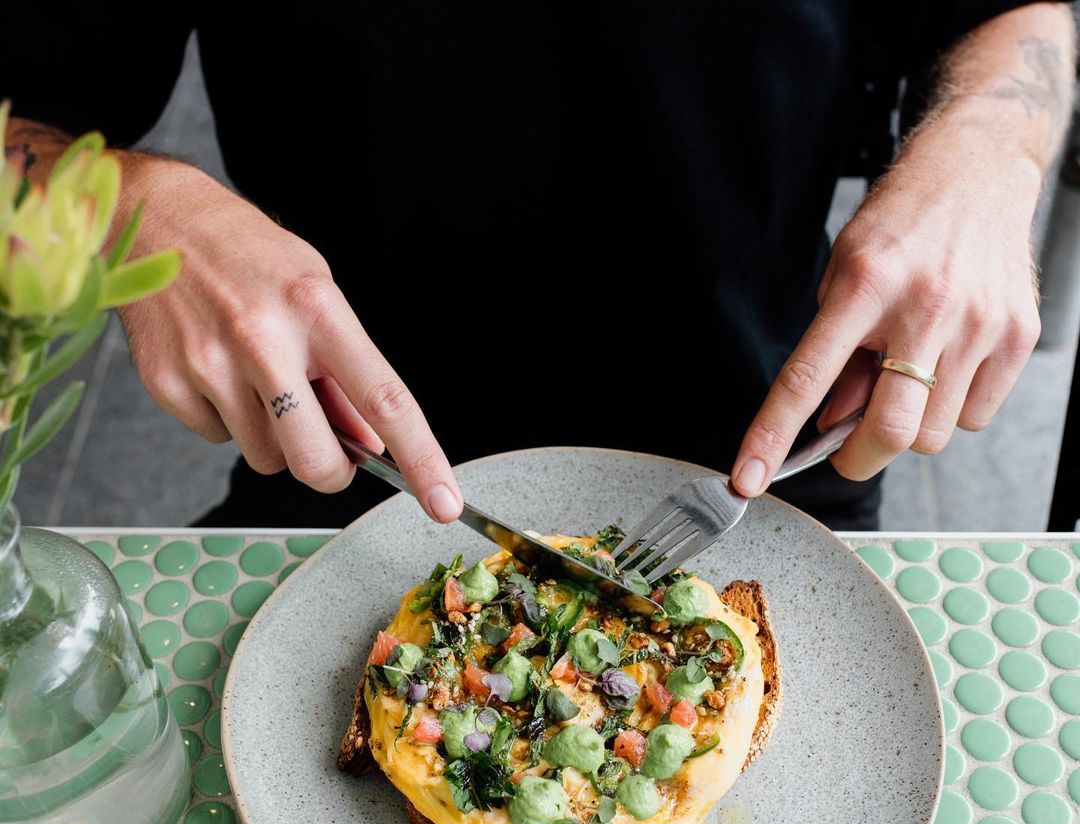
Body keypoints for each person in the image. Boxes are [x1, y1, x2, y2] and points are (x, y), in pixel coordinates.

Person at [4, 4, 1076, 531]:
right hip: (346, 474)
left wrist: (991, 144)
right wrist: (133, 205)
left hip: (763, 477)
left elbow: (1008, 11)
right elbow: (24, 124)